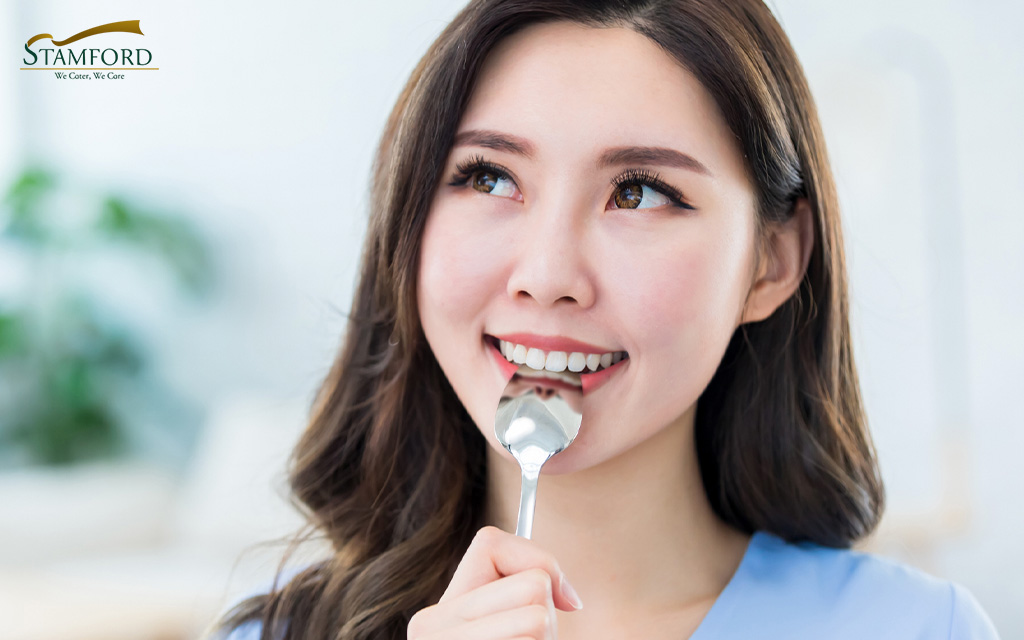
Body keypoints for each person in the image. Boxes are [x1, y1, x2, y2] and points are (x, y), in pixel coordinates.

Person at [207, 1, 1001, 638]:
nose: (547, 276)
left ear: (773, 261)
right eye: (488, 177)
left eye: (640, 192)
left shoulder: (919, 628)